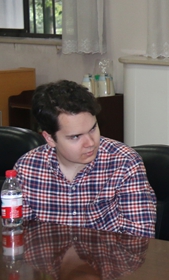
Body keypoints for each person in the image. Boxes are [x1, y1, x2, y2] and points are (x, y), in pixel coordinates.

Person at [15, 80, 156, 238]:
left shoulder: (124, 162)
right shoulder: (27, 168)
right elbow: (19, 234)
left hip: (109, 254)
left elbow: (140, 238)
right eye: (76, 137)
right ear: (49, 138)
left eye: (93, 129)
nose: (90, 143)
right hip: (48, 254)